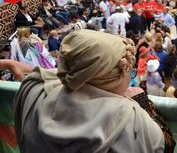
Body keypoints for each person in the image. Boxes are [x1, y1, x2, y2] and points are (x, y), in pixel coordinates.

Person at [15, 30, 166, 152]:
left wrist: (9, 63)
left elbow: (52, 74)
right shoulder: (130, 119)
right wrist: (141, 102)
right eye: (129, 72)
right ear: (109, 80)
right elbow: (164, 144)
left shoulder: (34, 90)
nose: (130, 76)